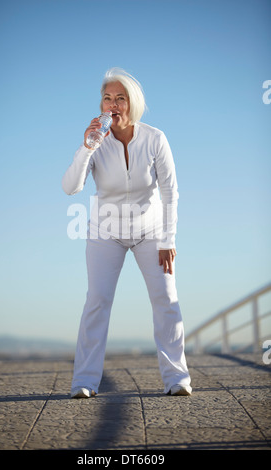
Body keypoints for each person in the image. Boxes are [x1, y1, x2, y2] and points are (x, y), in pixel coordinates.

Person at [62, 68, 192, 398]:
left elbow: (170, 192)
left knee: (166, 299)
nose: (113, 104)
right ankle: (84, 382)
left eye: (121, 98)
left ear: (132, 103)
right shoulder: (96, 141)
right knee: (97, 301)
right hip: (105, 231)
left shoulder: (155, 139)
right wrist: (87, 147)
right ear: (102, 105)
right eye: (108, 98)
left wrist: (167, 240)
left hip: (150, 231)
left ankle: (177, 378)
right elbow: (70, 187)